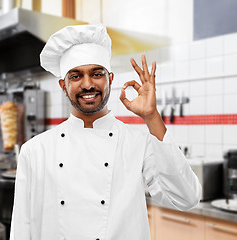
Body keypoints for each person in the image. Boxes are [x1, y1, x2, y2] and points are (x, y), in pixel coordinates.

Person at [10, 24, 201, 240]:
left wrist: (152, 117)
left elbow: (188, 199)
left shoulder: (137, 142)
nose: (88, 84)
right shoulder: (35, 151)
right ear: (63, 86)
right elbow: (21, 227)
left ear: (110, 78)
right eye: (76, 76)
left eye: (97, 73)